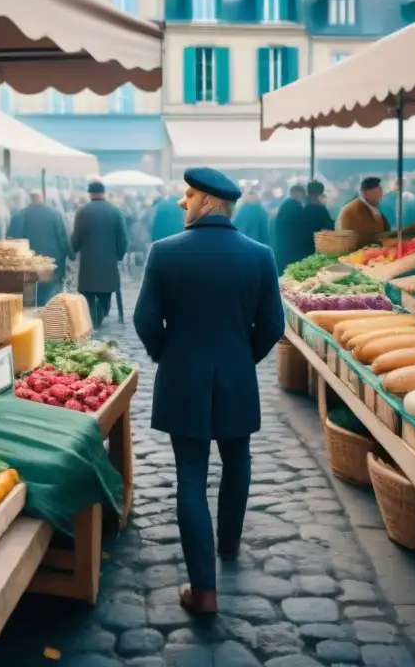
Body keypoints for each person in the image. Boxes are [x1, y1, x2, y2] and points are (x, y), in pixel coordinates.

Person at [133, 167, 284, 615]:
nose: (184, 208)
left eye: (188, 200)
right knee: (238, 460)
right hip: (237, 376)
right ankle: (230, 543)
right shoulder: (260, 255)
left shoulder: (165, 252)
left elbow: (144, 322)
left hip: (183, 377)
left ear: (206, 202)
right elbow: (273, 326)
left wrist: (168, 355)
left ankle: (203, 591)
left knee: (190, 477)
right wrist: (242, 359)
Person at [72, 181, 128, 326]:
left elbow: (76, 237)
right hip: (108, 262)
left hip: (88, 261)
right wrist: (119, 255)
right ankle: (101, 312)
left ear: (90, 193)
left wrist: (72, 251)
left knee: (88, 293)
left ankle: (92, 316)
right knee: (106, 291)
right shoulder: (115, 211)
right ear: (103, 193)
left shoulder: (83, 211)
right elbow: (122, 238)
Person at [8, 189, 74, 305]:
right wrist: (70, 255)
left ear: (30, 199)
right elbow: (62, 238)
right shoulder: (55, 215)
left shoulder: (19, 215)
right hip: (51, 265)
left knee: (28, 298)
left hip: (27, 266)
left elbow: (11, 240)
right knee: (49, 297)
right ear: (42, 198)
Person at [336, 176, 389, 246]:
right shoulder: (352, 210)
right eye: (377, 188)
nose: (381, 191)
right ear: (365, 192)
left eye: (380, 188)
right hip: (358, 253)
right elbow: (358, 238)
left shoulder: (374, 206)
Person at [272, 184, 307, 272]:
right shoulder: (295, 206)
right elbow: (298, 229)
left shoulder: (285, 205)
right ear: (299, 194)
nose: (303, 199)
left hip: (282, 246)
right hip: (290, 248)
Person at [301, 180, 334, 256]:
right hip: (317, 244)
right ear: (318, 194)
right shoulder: (320, 209)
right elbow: (330, 226)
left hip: (303, 244)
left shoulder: (302, 208)